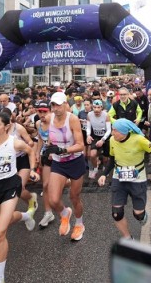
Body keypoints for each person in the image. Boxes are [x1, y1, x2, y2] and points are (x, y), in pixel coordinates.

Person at [0, 112, 39, 283]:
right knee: (7, 218)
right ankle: (26, 216)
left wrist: (32, 169)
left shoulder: (14, 142)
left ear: (6, 127)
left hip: (11, 184)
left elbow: (30, 151)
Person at [97, 119, 151, 239]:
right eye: (112, 129)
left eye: (115, 130)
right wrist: (104, 174)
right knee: (117, 213)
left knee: (138, 214)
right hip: (118, 177)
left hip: (137, 178)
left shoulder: (139, 140)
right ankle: (128, 238)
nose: (112, 133)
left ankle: (141, 215)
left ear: (124, 131)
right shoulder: (112, 140)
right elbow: (112, 159)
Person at [45, 92, 87, 241]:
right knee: (53, 200)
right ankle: (64, 213)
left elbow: (80, 145)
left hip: (75, 161)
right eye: (53, 105)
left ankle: (79, 224)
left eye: (58, 105)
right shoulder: (49, 118)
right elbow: (50, 138)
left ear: (65, 104)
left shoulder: (72, 119)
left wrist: (63, 150)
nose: (55, 108)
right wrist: (48, 149)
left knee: (74, 197)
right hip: (59, 162)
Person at [34, 102, 56, 229]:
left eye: (45, 111)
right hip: (47, 156)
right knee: (45, 185)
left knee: (65, 183)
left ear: (51, 112)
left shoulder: (56, 122)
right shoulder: (38, 124)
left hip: (61, 156)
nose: (42, 114)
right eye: (39, 111)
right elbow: (40, 139)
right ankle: (48, 213)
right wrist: (37, 153)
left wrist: (55, 150)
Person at [86, 99, 112, 179]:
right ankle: (95, 168)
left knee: (105, 158)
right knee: (92, 155)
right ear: (92, 107)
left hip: (105, 137)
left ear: (101, 107)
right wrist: (88, 135)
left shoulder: (106, 115)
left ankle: (105, 168)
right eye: (94, 107)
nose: (96, 109)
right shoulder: (89, 115)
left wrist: (103, 140)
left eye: (98, 107)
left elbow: (109, 130)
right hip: (96, 136)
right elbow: (88, 127)